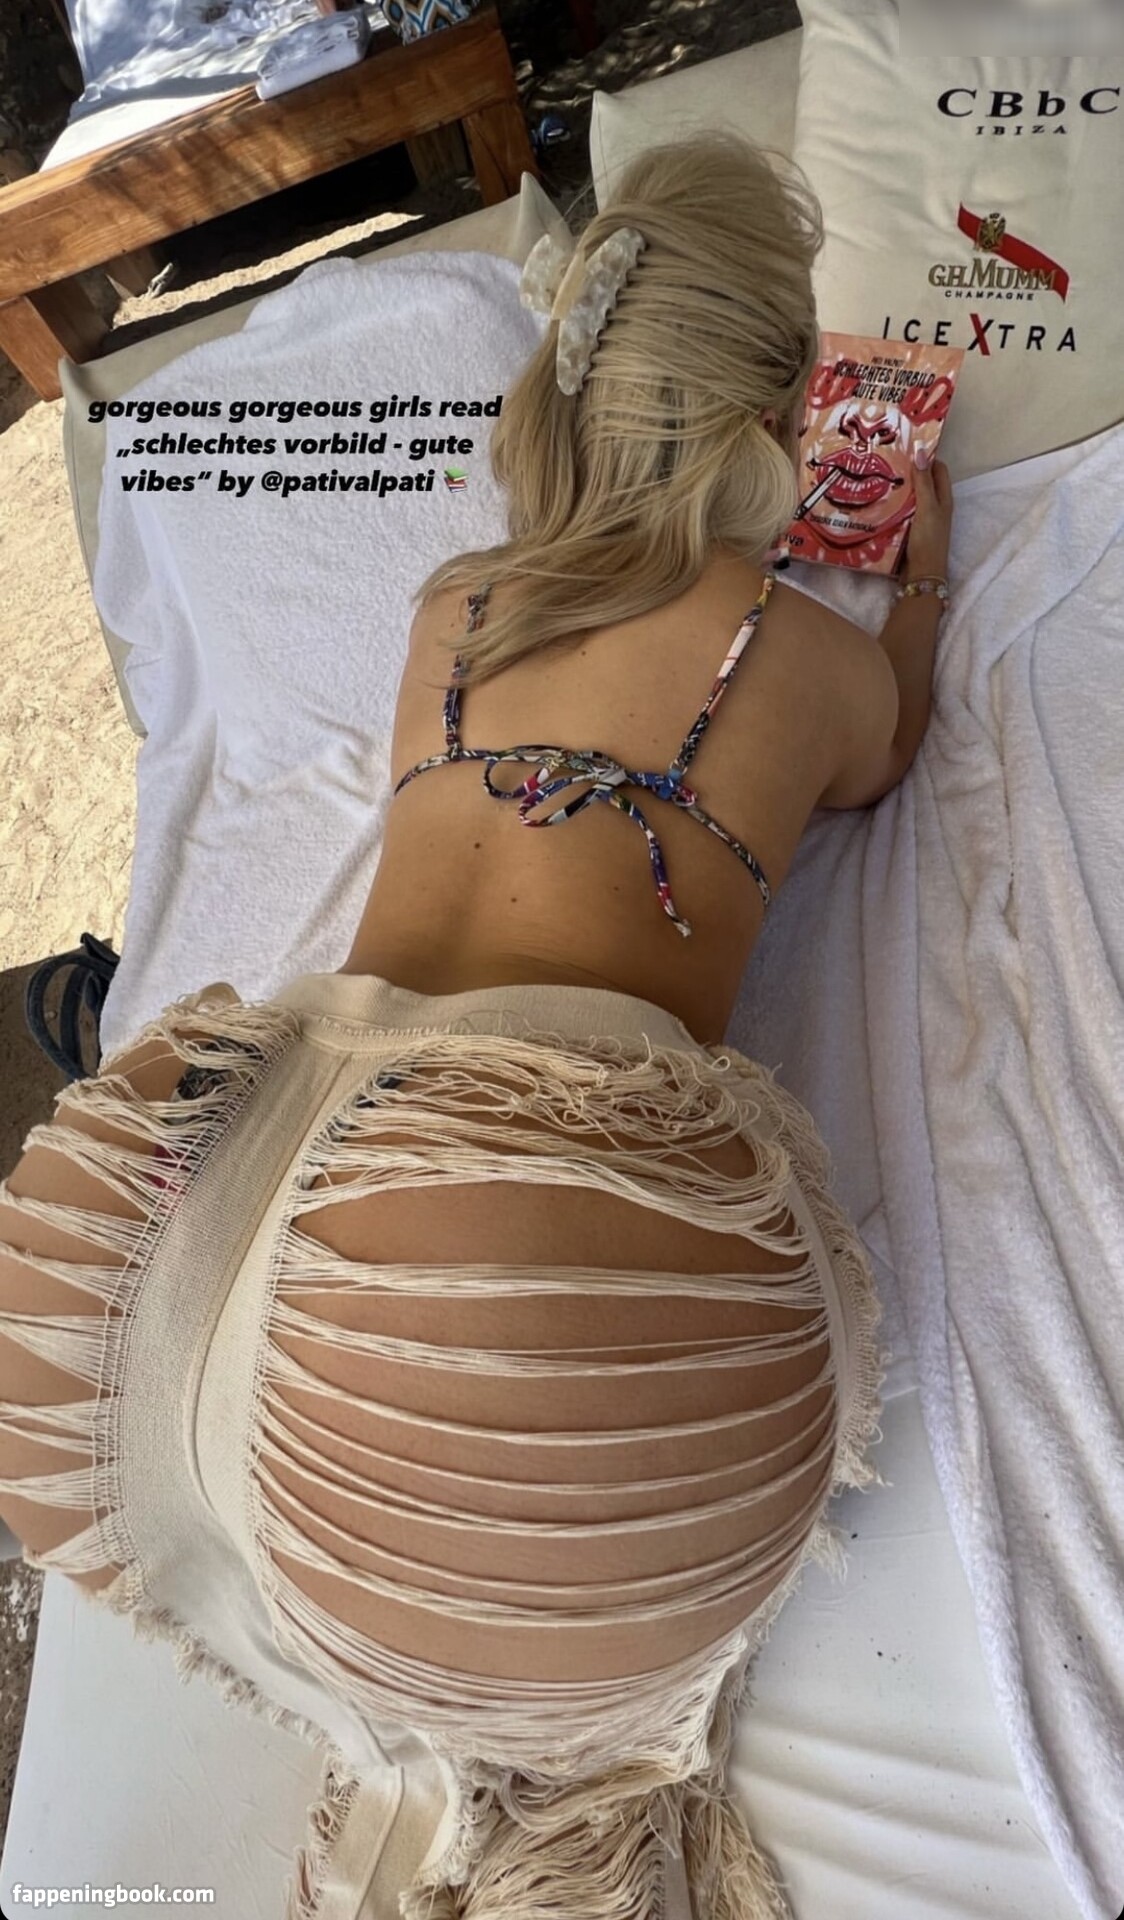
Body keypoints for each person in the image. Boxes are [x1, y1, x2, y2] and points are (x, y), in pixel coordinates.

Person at [0, 134, 954, 1920]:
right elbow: (887, 750)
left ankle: (352, 1634)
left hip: (185, 1239)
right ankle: (509, 1726)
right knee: (512, 1398)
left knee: (316, 1371)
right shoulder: (794, 649)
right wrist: (917, 580)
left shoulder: (457, 603)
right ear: (775, 426)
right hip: (480, 1221)